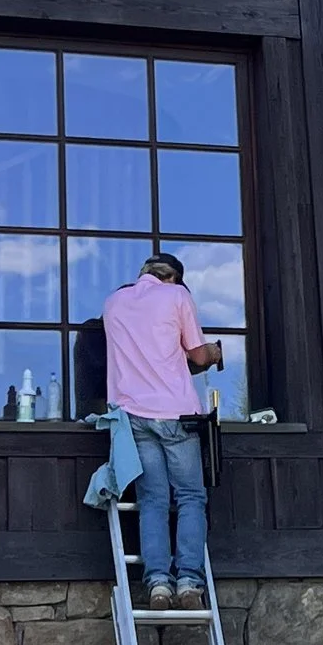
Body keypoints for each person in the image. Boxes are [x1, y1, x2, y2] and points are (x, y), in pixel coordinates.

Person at [99, 253, 222, 606]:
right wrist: (214, 352)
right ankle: (187, 581)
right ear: (173, 278)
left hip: (133, 415)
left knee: (151, 499)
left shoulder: (114, 302)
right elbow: (197, 358)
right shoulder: (177, 296)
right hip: (175, 413)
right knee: (190, 497)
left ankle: (157, 583)